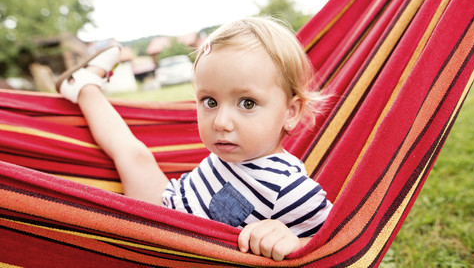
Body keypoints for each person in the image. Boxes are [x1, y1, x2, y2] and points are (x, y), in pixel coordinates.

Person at [56, 17, 332, 261]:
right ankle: (84, 87)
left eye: (247, 103)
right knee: (133, 155)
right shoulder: (235, 147)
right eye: (209, 101)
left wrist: (295, 242)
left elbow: (339, 241)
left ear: (290, 112)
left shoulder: (290, 188)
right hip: (162, 208)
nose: (221, 122)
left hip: (182, 249)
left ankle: (85, 87)